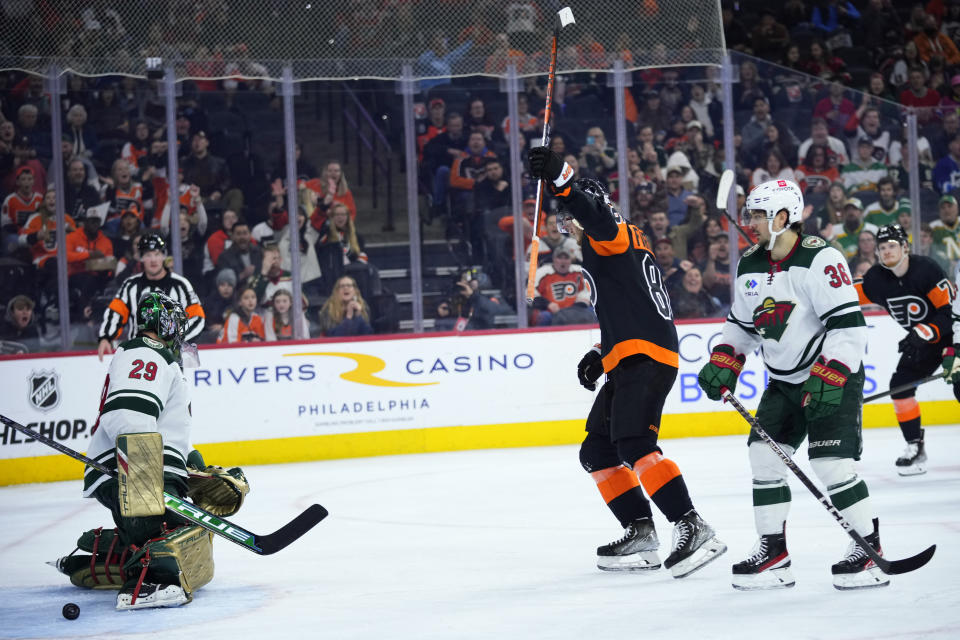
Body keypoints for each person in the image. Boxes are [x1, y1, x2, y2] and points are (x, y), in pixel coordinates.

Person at [528, 145, 727, 579]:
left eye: (569, 216)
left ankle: (693, 526)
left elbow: (597, 215)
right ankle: (640, 530)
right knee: (597, 450)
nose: (566, 226)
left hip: (646, 357)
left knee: (635, 444)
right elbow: (629, 306)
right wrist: (602, 354)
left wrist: (563, 179)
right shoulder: (615, 246)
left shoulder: (612, 231)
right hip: (629, 355)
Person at [697, 178, 886, 591]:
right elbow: (741, 327)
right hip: (782, 382)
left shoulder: (822, 260)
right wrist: (726, 360)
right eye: (750, 214)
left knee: (831, 465)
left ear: (784, 218)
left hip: (831, 376)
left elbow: (848, 327)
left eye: (759, 215)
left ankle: (869, 550)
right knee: (763, 460)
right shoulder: (749, 263)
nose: (752, 222)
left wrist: (831, 373)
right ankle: (774, 555)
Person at [51, 292, 249, 609]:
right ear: (162, 321)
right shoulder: (146, 351)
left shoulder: (159, 358)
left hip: (143, 465)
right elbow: (127, 414)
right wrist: (142, 476)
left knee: (180, 531)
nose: (180, 330)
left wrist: (195, 467)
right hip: (130, 467)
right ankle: (147, 584)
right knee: (171, 532)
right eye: (176, 322)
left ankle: (115, 556)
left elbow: (172, 432)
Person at [855, 224, 956, 475]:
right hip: (922, 343)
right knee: (900, 387)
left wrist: (928, 334)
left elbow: (948, 315)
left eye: (892, 246)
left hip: (953, 338)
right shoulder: (876, 279)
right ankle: (915, 447)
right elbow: (844, 296)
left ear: (905, 247)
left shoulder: (926, 270)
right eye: (882, 248)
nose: (887, 251)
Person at [97, 234, 205, 361]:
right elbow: (116, 312)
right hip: (137, 357)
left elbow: (197, 318)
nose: (153, 260)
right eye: (148, 255)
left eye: (157, 254)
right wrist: (106, 337)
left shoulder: (181, 285)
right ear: (141, 257)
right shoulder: (130, 285)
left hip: (171, 358)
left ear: (164, 256)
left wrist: (172, 337)